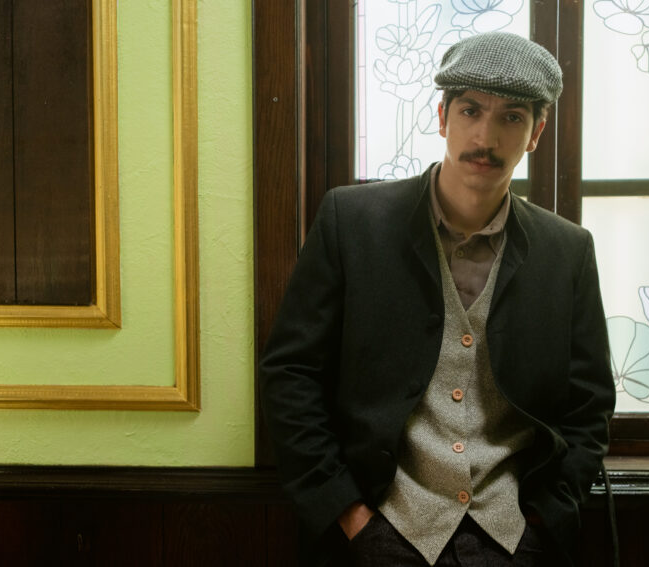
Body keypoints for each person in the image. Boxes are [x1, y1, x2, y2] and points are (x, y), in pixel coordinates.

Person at [260, 32, 616, 566]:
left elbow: (590, 403)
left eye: (511, 117)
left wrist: (546, 515)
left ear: (536, 133)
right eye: (471, 110)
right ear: (443, 116)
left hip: (515, 537)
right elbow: (290, 373)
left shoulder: (567, 250)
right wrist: (348, 513)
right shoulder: (351, 222)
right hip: (380, 530)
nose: (486, 136)